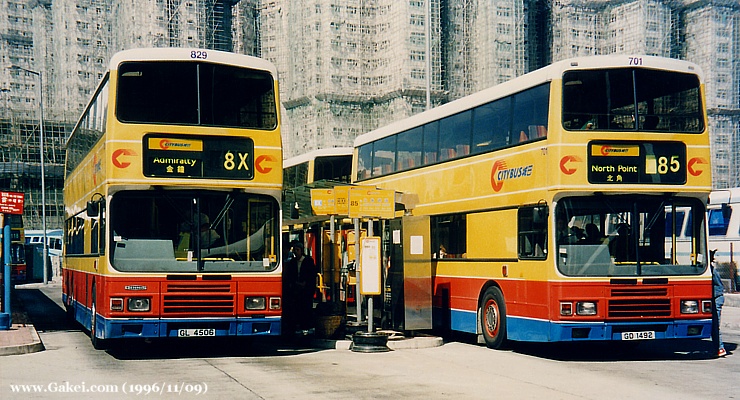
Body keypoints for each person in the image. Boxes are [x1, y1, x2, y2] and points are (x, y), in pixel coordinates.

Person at [283, 240, 318, 334]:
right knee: (296, 307)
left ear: (301, 250)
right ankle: (297, 325)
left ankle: (306, 325)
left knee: (306, 307)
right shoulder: (293, 262)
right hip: (296, 289)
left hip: (306, 289)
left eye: (297, 250)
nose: (295, 252)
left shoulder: (308, 261)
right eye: (294, 250)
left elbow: (312, 275)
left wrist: (306, 284)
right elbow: (290, 275)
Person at [711, 250, 727, 357]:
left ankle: (720, 348)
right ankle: (717, 347)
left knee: (715, 325)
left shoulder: (712, 271)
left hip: (717, 298)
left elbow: (718, 285)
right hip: (716, 298)